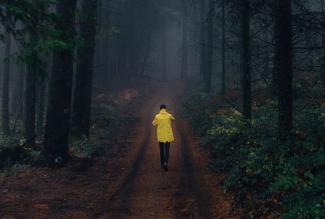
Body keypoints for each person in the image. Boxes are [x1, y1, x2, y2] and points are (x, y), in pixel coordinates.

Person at [152, 104, 175, 171]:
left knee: (161, 150)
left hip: (161, 136)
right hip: (168, 136)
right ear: (165, 109)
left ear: (160, 109)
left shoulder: (157, 116)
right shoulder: (169, 115)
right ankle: (166, 163)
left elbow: (153, 124)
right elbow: (173, 119)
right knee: (167, 150)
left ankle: (162, 164)